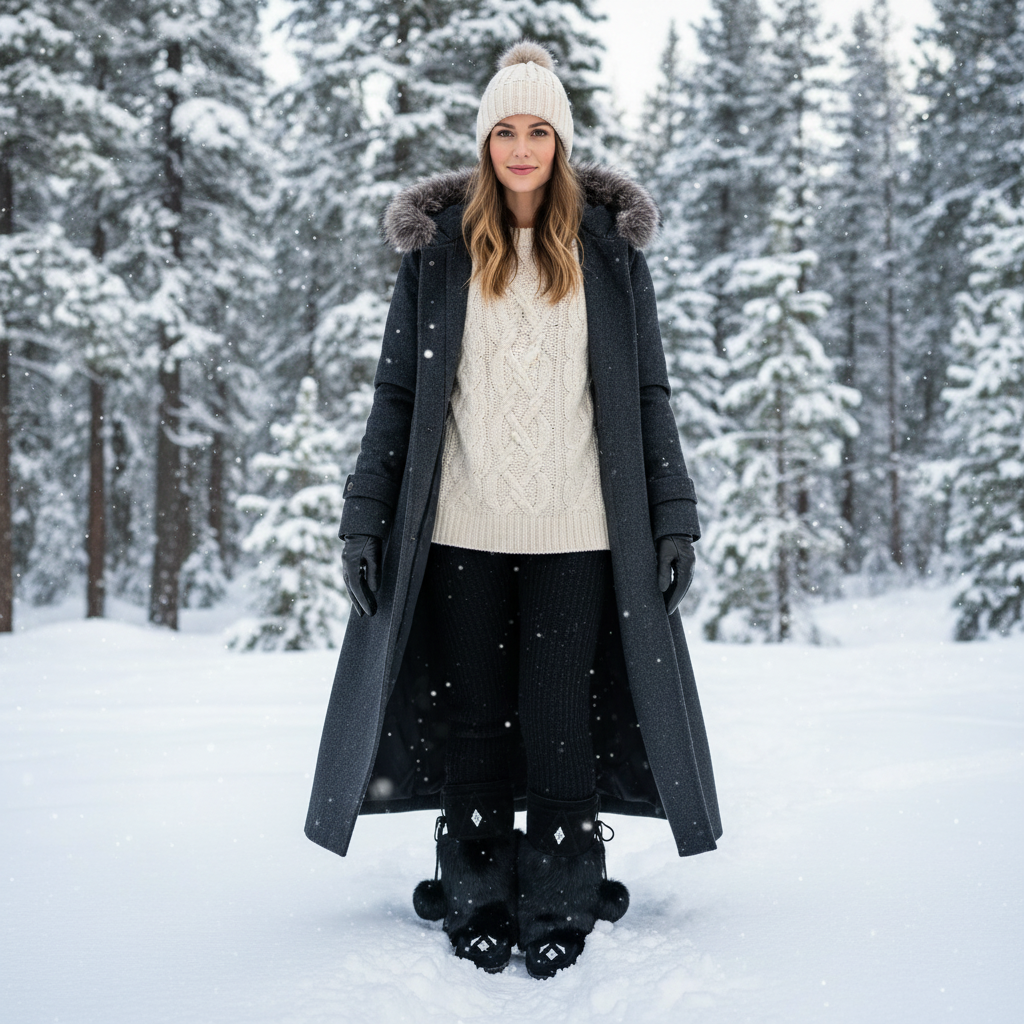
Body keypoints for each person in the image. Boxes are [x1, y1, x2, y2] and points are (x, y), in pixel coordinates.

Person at [305, 41, 722, 979]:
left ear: (562, 143)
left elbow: (648, 392)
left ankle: (566, 885)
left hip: (579, 530)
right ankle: (478, 883)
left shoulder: (610, 254)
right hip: (459, 528)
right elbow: (396, 397)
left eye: (540, 130)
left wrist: (674, 514)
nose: (523, 147)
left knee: (557, 710)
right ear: (485, 140)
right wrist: (363, 515)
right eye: (506, 130)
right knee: (476, 713)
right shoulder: (442, 254)